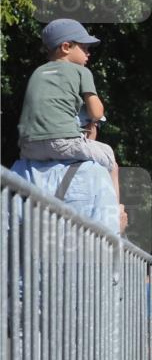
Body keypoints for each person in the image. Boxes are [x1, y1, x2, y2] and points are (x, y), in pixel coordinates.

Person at [16, 19, 126, 229]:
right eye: (84, 48)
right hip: (62, 142)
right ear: (66, 47)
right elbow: (96, 111)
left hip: (29, 148)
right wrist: (93, 118)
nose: (88, 54)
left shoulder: (37, 73)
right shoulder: (81, 72)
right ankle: (116, 212)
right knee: (110, 158)